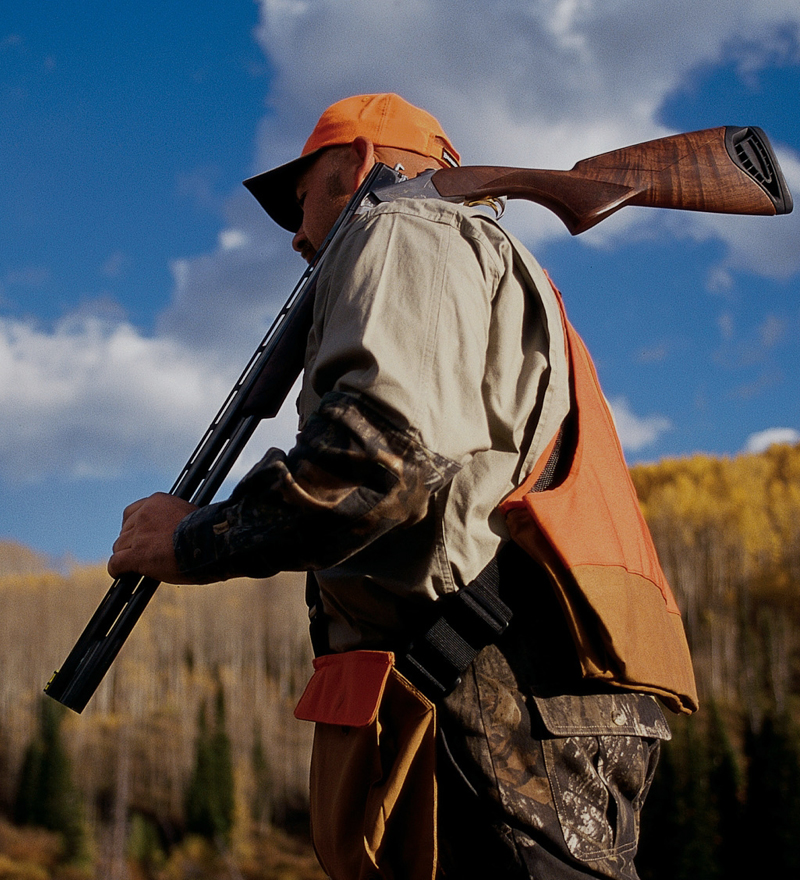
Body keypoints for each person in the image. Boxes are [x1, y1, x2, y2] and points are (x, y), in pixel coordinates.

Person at [108, 93, 696, 880]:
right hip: (536, 685)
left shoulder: (403, 227)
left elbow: (379, 461)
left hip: (500, 683)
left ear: (354, 165)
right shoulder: (474, 250)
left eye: (304, 194)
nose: (295, 233)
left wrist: (191, 539)